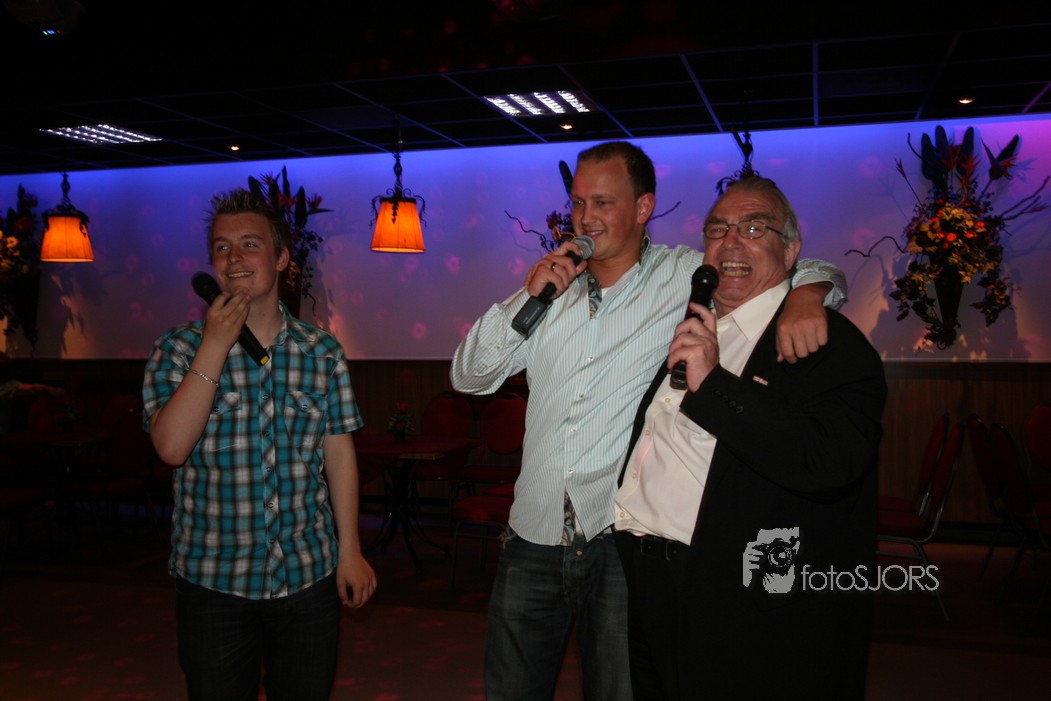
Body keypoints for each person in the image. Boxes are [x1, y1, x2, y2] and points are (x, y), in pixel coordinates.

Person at [450, 141, 847, 700]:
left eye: (603, 202)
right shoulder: (548, 292)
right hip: (532, 533)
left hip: (618, 538)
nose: (585, 218)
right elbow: (469, 378)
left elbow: (786, 264)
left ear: (643, 208)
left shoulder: (686, 275)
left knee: (621, 690)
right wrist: (528, 294)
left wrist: (809, 294)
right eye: (578, 202)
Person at [613, 175, 887, 699]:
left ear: (791, 250)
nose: (731, 242)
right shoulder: (693, 326)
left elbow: (830, 463)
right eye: (717, 230)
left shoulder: (827, 343)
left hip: (742, 601)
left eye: (755, 228)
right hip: (648, 582)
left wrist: (715, 384)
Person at [142, 189, 376, 701]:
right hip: (213, 578)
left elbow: (339, 454)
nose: (234, 259)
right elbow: (171, 448)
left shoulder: (321, 351)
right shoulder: (176, 349)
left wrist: (350, 551)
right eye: (221, 247)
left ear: (282, 258)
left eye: (250, 244)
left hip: (307, 572)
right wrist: (214, 344)